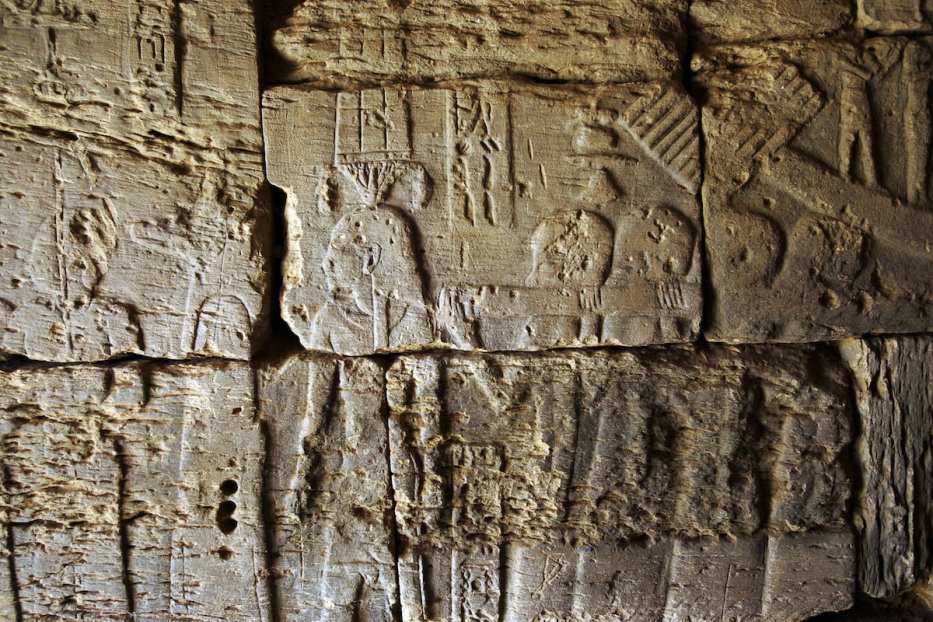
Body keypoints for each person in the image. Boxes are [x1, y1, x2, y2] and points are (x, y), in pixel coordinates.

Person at [309, 205, 431, 354]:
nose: (325, 263)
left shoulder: (415, 319)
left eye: (338, 249)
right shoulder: (328, 321)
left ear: (370, 258)